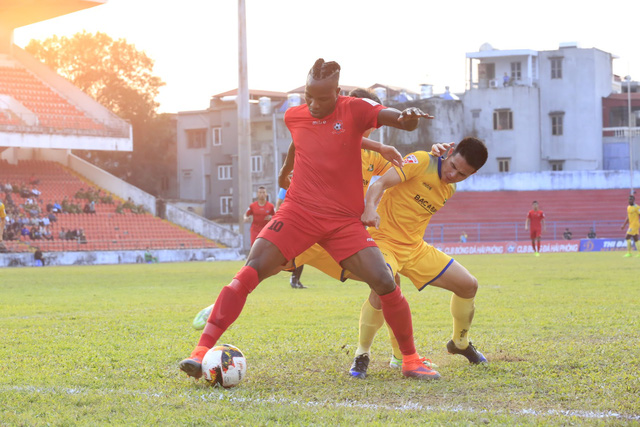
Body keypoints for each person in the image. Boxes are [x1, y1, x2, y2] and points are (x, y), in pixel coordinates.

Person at [179, 58, 437, 381]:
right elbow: (299, 140)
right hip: (298, 211)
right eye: (308, 97)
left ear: (338, 92)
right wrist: (286, 169)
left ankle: (411, 361)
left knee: (384, 281)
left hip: (343, 221)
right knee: (251, 269)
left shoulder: (354, 108)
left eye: (322, 98)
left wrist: (407, 120)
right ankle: (199, 352)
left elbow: (393, 120)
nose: (313, 105)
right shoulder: (295, 115)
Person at [294, 138, 489, 378]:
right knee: (382, 285)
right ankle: (362, 354)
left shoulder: (449, 187)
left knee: (469, 285)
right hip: (384, 242)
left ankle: (460, 343)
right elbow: (379, 185)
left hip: (415, 249)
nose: (453, 174)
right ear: (448, 153)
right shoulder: (420, 160)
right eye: (453, 166)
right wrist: (370, 210)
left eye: (462, 174)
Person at [275, 182, 306, 289]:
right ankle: (294, 277)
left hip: (302, 223)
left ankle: (295, 278)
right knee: (298, 252)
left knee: (302, 252)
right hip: (290, 223)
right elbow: (279, 203)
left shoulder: (304, 184)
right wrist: (279, 217)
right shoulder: (286, 186)